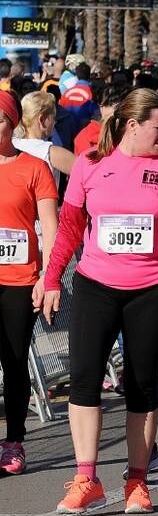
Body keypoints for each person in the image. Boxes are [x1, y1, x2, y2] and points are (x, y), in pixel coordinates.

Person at [41, 89, 158, 515]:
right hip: (96, 283)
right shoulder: (92, 165)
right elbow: (71, 226)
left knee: (141, 383)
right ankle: (85, 478)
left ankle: (137, 481)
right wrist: (52, 277)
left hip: (154, 287)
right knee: (84, 378)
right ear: (132, 125)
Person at [0, 92, 59, 476]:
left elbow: (51, 230)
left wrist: (46, 278)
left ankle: (15, 440)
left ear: (11, 124)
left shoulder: (34, 167)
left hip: (20, 279)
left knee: (14, 358)